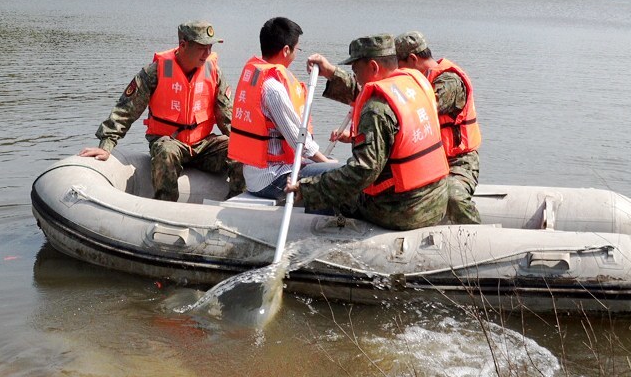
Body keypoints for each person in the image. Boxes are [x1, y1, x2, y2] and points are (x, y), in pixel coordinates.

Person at [288, 34, 449, 230]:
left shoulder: (376, 108)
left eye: (356, 70)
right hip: (436, 198)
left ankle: (317, 236)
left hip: (401, 209)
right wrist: (331, 72)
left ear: (373, 67)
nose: (355, 76)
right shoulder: (417, 84)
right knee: (326, 175)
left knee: (322, 183)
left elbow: (363, 171)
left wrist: (309, 190)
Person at [79, 20, 244, 201]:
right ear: (183, 45)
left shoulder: (213, 73)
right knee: (166, 151)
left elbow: (228, 117)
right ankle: (167, 209)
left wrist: (246, 146)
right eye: (202, 47)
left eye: (210, 47)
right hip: (169, 142)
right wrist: (107, 144)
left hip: (203, 145)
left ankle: (235, 206)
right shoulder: (154, 72)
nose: (208, 53)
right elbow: (126, 110)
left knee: (238, 149)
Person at [228, 17, 339, 200]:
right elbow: (298, 141)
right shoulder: (274, 89)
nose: (296, 55)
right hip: (272, 177)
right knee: (337, 176)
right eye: (297, 49)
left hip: (257, 175)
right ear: (286, 50)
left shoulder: (256, 76)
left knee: (331, 168)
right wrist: (326, 162)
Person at [394, 31, 482, 224]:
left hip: (458, 162)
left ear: (412, 58)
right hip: (428, 161)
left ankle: (476, 237)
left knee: (452, 197)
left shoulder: (450, 83)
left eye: (399, 66)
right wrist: (333, 74)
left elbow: (412, 108)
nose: (397, 73)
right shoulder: (418, 81)